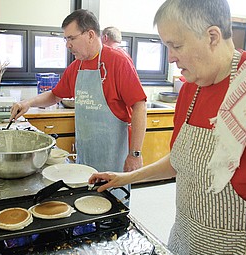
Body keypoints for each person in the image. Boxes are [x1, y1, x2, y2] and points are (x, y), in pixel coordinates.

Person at [89, 0, 246, 255]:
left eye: (176, 45)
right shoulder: (190, 89)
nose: (171, 57)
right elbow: (180, 161)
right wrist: (125, 178)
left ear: (212, 36)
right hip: (185, 242)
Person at [10, 9, 147, 200]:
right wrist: (28, 102)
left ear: (90, 35)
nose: (67, 45)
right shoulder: (77, 66)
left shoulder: (118, 61)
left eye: (71, 38)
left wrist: (135, 154)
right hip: (86, 154)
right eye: (65, 39)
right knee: (87, 201)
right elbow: (55, 95)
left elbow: (139, 105)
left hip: (113, 156)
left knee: (113, 205)